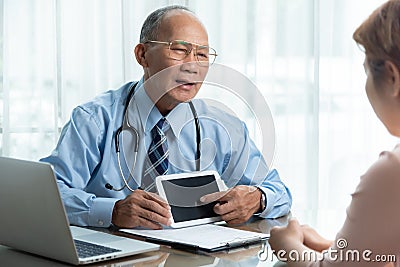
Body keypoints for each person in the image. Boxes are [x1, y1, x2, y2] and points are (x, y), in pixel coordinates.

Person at [40, 5, 292, 230]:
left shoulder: (223, 126)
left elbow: (279, 191)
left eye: (202, 55)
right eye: (180, 50)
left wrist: (258, 198)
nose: (192, 65)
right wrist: (112, 211)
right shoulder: (94, 120)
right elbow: (46, 195)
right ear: (142, 55)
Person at [269, 1, 400, 266]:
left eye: (366, 70)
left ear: (392, 77)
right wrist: (335, 245)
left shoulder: (392, 171)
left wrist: (287, 245)